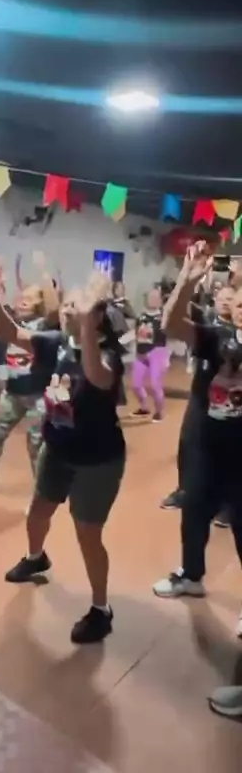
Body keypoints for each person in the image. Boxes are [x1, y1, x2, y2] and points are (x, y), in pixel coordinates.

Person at [0, 268, 126, 644]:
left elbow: (97, 377)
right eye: (67, 305)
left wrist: (86, 327)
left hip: (97, 459)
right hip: (57, 448)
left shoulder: (108, 353)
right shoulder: (57, 342)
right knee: (37, 512)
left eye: (76, 306)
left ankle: (101, 609)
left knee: (88, 534)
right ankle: (36, 557)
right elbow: (12, 334)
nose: (67, 310)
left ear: (95, 317)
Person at [153, 242, 242, 638]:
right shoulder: (216, 336)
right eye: (239, 301)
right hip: (207, 445)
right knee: (193, 511)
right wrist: (186, 281)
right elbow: (172, 325)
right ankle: (191, 575)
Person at [0, 253, 60, 498]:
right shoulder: (11, 323)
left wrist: (45, 274)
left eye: (30, 299)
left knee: (35, 442)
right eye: (22, 298)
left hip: (39, 395)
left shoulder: (45, 326)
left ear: (40, 303)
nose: (23, 302)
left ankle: (40, 493)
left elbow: (54, 309)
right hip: (13, 393)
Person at [160, 284, 234, 515]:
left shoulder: (234, 333)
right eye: (222, 298)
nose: (226, 302)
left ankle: (227, 502)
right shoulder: (208, 323)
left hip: (229, 406)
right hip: (201, 397)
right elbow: (174, 321)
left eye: (231, 299)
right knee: (189, 444)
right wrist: (186, 282)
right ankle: (185, 490)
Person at [131, 287, 169, 422]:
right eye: (150, 297)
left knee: (155, 385)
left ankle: (159, 412)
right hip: (141, 353)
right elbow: (136, 334)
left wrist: (165, 357)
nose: (152, 300)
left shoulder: (164, 317)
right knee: (136, 385)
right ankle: (144, 407)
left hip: (157, 352)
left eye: (155, 297)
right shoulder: (140, 317)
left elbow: (169, 333)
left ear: (160, 300)